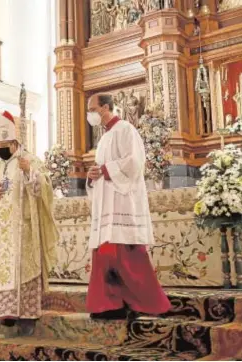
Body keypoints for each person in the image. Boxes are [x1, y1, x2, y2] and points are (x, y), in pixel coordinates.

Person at [85, 93, 171, 320]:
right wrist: (93, 175)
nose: (90, 114)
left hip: (122, 204)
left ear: (105, 107)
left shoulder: (126, 130)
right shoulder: (103, 139)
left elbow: (134, 162)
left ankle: (150, 302)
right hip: (107, 206)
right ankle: (109, 304)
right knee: (105, 257)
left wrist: (104, 170)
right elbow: (101, 169)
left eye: (92, 109)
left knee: (128, 258)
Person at [0, 111, 58, 336]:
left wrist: (29, 172)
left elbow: (43, 189)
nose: (0, 149)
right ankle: (7, 315)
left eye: (4, 144)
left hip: (24, 230)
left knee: (25, 271)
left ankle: (27, 317)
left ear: (14, 143)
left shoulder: (30, 160)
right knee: (4, 270)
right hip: (3, 233)